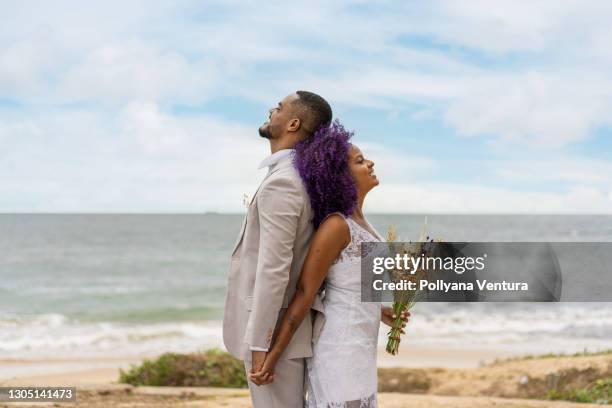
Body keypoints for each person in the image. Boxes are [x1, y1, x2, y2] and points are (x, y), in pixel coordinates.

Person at [250, 120, 410, 407]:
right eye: (360, 161)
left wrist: (381, 311)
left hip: (361, 347)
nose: (371, 163)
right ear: (341, 177)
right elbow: (305, 293)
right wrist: (271, 356)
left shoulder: (362, 221)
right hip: (340, 350)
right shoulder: (337, 225)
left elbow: (348, 283)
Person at [222, 91, 333, 408]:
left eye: (280, 107)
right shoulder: (300, 178)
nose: (272, 110)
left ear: (294, 123)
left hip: (275, 341)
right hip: (285, 337)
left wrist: (261, 343)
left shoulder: (284, 182)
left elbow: (274, 270)